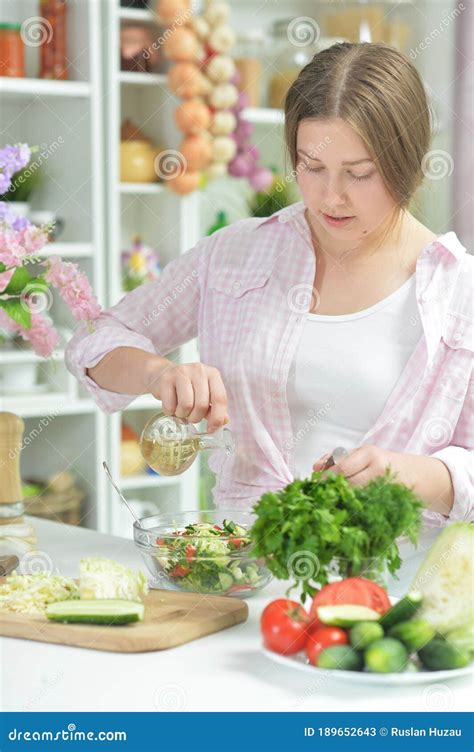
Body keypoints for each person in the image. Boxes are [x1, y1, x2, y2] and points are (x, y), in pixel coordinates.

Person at [65, 42, 473, 528]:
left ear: (408, 163)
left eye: (359, 174)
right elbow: (94, 339)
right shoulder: (236, 254)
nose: (331, 196)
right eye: (312, 167)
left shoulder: (459, 294)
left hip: (393, 587)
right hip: (245, 570)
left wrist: (416, 475)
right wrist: (158, 374)